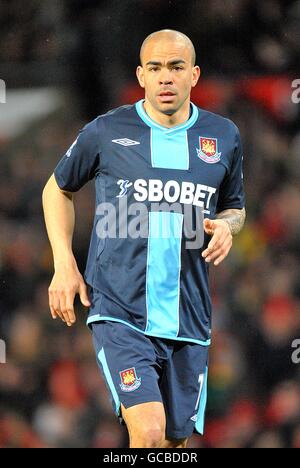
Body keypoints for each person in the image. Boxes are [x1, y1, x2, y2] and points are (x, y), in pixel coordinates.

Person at [42, 29, 246, 448]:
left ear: (194, 74)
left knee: (175, 446)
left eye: (175, 67)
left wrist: (227, 226)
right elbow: (56, 188)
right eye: (155, 68)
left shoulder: (223, 136)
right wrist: (64, 264)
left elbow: (235, 208)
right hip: (121, 311)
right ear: (141, 75)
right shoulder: (106, 131)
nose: (165, 77)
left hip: (189, 319)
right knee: (149, 434)